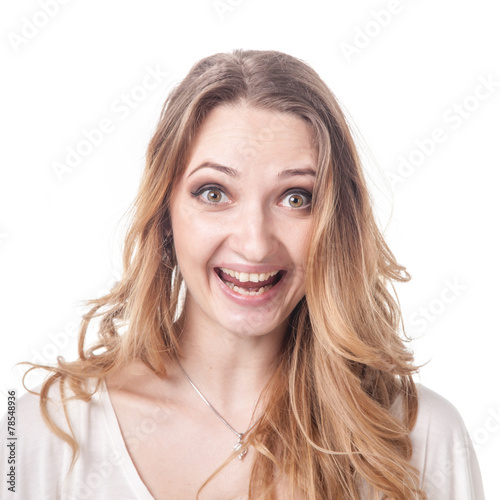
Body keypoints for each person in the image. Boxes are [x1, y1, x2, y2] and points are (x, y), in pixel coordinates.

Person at [1, 49, 485, 500]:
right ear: (165, 216)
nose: (254, 243)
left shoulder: (419, 439)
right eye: (214, 193)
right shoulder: (36, 437)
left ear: (336, 225)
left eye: (296, 198)